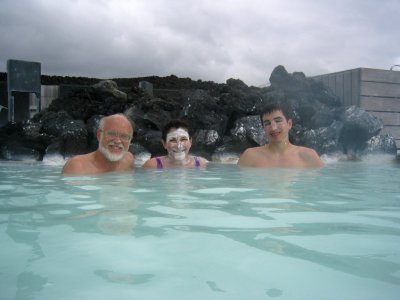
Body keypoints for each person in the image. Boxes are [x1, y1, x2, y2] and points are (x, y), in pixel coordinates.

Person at [237, 101, 324, 168]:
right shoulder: (250, 156)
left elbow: (320, 188)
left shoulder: (308, 156)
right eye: (267, 123)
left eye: (278, 121)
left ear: (289, 124)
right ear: (263, 128)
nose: (273, 128)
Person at [62, 113, 135, 175]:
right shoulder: (77, 167)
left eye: (124, 136)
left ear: (130, 140)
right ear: (99, 135)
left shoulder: (128, 160)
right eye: (112, 134)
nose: (118, 141)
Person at [142, 119, 208, 169]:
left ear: (190, 142)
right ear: (164, 143)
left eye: (183, 139)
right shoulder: (152, 166)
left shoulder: (201, 164)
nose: (179, 146)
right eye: (173, 140)